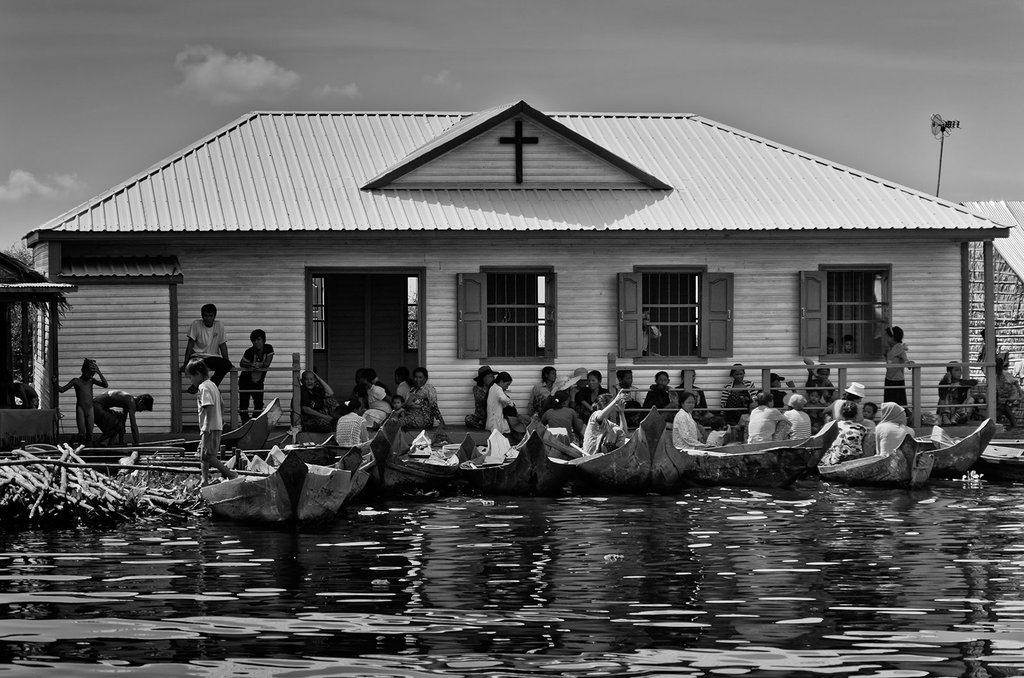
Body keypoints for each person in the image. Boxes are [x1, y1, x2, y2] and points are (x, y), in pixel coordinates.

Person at [185, 359, 238, 485]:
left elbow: (208, 405)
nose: (190, 381)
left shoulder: (203, 387)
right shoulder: (212, 385)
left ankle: (231, 474)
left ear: (198, 374)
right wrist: (220, 419)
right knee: (203, 454)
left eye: (190, 377)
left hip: (209, 428)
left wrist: (206, 426)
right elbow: (222, 404)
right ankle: (204, 480)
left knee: (208, 456)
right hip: (216, 426)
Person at [56, 358, 108, 445]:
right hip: (81, 409)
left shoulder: (91, 381)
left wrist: (99, 372)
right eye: (89, 374)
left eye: (92, 374)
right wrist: (54, 383)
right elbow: (62, 390)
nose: (91, 376)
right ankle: (76, 443)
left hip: (90, 409)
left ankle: (88, 451)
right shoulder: (76, 381)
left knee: (90, 434)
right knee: (82, 433)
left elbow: (105, 385)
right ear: (84, 371)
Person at [181, 303, 232, 392]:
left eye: (210, 316)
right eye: (206, 316)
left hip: (212, 357)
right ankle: (200, 386)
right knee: (199, 366)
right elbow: (190, 345)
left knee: (226, 365)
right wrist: (185, 364)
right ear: (202, 316)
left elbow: (222, 345)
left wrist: (227, 362)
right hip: (197, 357)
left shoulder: (219, 325)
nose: (208, 318)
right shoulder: (196, 324)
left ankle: (208, 386)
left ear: (214, 317)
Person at [238, 329, 274, 422]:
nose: (256, 342)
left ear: (264, 340)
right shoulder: (249, 351)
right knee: (244, 404)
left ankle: (254, 423)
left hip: (259, 381)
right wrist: (251, 365)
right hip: (245, 381)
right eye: (254, 340)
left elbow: (267, 363)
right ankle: (245, 424)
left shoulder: (269, 348)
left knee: (258, 404)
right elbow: (241, 363)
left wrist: (260, 364)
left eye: (258, 340)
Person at [581, 391, 629, 457]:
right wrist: (615, 400)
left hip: (602, 456)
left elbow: (623, 432)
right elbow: (600, 416)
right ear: (604, 405)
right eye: (612, 403)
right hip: (590, 455)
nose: (615, 405)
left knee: (619, 433)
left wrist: (621, 412)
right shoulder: (595, 415)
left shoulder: (608, 423)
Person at [398, 366, 446, 431]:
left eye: (420, 377)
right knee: (395, 418)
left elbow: (434, 405)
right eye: (415, 377)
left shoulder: (429, 389)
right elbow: (406, 405)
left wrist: (441, 421)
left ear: (425, 379)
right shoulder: (412, 390)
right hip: (409, 416)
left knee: (402, 421)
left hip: (423, 418)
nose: (417, 380)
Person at [822, 400, 868, 466]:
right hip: (854, 460)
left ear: (841, 414)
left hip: (836, 459)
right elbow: (865, 447)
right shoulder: (862, 428)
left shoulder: (833, 426)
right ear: (856, 415)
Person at [937, 361, 978, 426]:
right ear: (950, 372)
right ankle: (945, 418)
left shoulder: (962, 383)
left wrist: (959, 384)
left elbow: (975, 382)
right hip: (947, 411)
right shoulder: (943, 383)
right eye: (956, 370)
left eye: (960, 370)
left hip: (958, 413)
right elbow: (942, 397)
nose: (959, 372)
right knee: (947, 395)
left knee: (971, 399)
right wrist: (948, 382)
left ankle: (955, 418)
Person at [884, 326, 911, 406]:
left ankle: (904, 415)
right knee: (889, 402)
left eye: (887, 336)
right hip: (889, 378)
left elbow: (905, 360)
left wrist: (908, 364)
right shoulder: (890, 348)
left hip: (897, 380)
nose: (886, 339)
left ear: (893, 337)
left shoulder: (899, 348)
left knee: (898, 402)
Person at [996, 355, 1024, 429]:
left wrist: (1021, 394)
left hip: (1012, 396)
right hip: (1003, 398)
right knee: (1001, 409)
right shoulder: (994, 376)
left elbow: (1016, 383)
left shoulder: (1005, 374)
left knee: (1006, 409)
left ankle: (1014, 425)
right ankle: (1004, 424)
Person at [486, 371, 517, 437]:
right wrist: (512, 404)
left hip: (493, 419)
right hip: (495, 421)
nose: (507, 387)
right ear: (501, 381)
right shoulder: (498, 389)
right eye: (507, 384)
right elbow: (503, 398)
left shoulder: (493, 388)